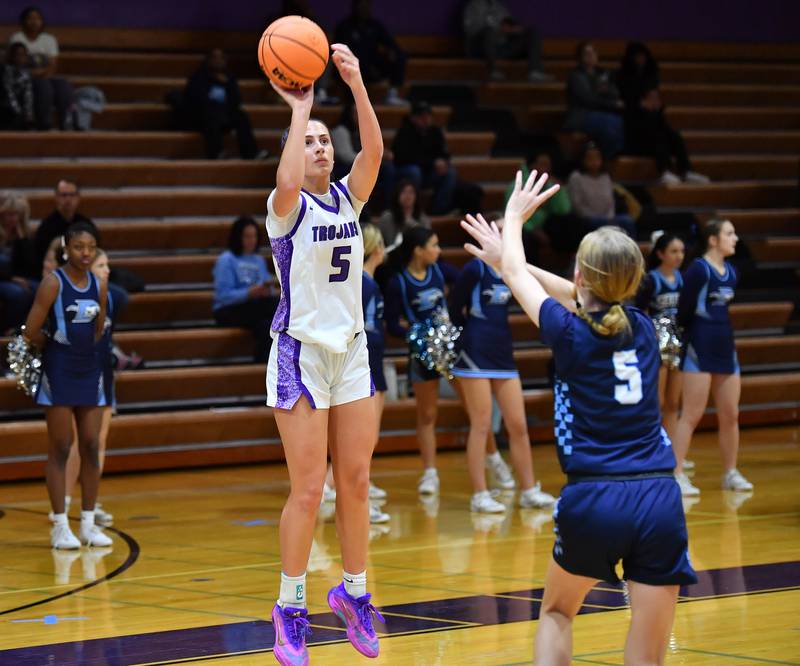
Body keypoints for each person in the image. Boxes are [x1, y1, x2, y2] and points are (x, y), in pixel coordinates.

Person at [461, 171, 696, 665]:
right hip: (659, 497)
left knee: (557, 614)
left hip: (595, 496)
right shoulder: (646, 329)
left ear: (583, 275)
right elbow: (581, 293)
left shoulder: (569, 332)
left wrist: (512, 222)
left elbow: (527, 279)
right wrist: (510, 262)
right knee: (648, 656)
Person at [265, 42, 384, 664]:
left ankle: (354, 593)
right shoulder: (286, 210)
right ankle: (289, 607)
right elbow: (286, 179)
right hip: (300, 352)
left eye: (322, 140)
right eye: (310, 140)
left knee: (357, 481)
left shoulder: (348, 198)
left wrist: (357, 83)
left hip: (352, 351)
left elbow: (373, 152)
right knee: (308, 490)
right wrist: (299, 108)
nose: (320, 146)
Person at [23, 222, 113, 550]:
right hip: (59, 371)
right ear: (66, 248)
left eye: (91, 247)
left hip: (89, 370)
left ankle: (87, 523)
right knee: (61, 446)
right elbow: (31, 330)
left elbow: (100, 327)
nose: (85, 253)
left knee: (90, 445)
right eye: (78, 247)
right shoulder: (52, 283)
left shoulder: (99, 285)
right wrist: (55, 344)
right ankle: (60, 525)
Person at [449, 251, 556, 513]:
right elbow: (453, 306)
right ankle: (480, 494)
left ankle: (529, 490)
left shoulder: (511, 270)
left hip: (503, 353)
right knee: (482, 424)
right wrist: (470, 335)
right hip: (475, 352)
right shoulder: (475, 269)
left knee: (518, 425)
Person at [671, 219, 753, 497]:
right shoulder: (698, 270)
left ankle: (730, 472)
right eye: (730, 233)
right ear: (713, 240)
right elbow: (683, 312)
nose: (736, 238)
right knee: (691, 414)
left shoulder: (731, 272)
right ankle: (676, 473)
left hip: (725, 347)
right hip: (699, 348)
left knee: (731, 414)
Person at [321, 224, 390, 525]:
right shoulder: (363, 283)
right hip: (364, 366)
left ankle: (347, 491)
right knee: (364, 440)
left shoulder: (369, 282)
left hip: (373, 362)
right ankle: (327, 489)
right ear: (376, 249)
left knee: (367, 441)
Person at [57, 249, 116, 527]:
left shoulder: (107, 295)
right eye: (102, 265)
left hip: (103, 372)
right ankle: (65, 501)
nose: (107, 270)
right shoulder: (73, 295)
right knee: (74, 442)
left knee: (97, 443)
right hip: (78, 373)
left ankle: (89, 504)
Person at [617, 42, 709, 185]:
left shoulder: (650, 76)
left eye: (643, 56)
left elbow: (657, 104)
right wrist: (640, 106)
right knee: (657, 136)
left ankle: (686, 170)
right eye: (638, 57)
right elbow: (624, 106)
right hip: (635, 129)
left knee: (675, 135)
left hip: (653, 120)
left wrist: (656, 106)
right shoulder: (621, 78)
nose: (641, 60)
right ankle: (664, 171)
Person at [634, 231, 685, 444]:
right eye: (673, 251)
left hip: (678, 342)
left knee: (674, 402)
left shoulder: (683, 278)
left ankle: (672, 449)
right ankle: (653, 445)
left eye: (682, 251)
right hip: (657, 344)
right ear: (661, 254)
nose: (679, 256)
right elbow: (639, 310)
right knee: (658, 400)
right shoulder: (651, 279)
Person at [212, 216, 278, 363]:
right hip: (229, 310)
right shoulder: (227, 260)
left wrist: (267, 291)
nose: (251, 240)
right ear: (238, 237)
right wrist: (249, 293)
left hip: (255, 309)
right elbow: (223, 296)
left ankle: (261, 364)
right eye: (247, 236)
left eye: (254, 236)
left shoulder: (258, 260)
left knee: (267, 326)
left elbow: (267, 285)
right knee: (273, 306)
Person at [183, 49, 266, 160]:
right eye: (215, 57)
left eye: (221, 58)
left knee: (241, 116)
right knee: (210, 115)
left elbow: (236, 101)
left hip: (224, 116)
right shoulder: (199, 77)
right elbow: (195, 102)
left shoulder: (229, 78)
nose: (219, 61)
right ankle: (216, 153)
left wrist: (226, 84)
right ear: (209, 60)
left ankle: (251, 153)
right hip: (202, 118)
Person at [504, 152, 578, 265]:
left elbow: (564, 210)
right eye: (542, 164)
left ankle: (566, 265)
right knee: (525, 236)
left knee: (569, 222)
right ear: (531, 166)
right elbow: (510, 215)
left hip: (545, 225)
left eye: (548, 164)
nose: (546, 168)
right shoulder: (517, 186)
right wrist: (534, 230)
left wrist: (559, 189)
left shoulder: (549, 183)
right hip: (525, 226)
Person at [9, 6, 74, 130]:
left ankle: (67, 123)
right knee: (44, 87)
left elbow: (53, 66)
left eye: (37, 18)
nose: (34, 22)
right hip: (24, 79)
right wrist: (38, 73)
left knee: (64, 85)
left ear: (42, 21)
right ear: (23, 21)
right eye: (30, 18)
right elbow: (17, 65)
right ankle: (44, 123)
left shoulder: (49, 40)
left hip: (46, 76)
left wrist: (41, 72)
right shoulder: (17, 38)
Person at [333, 0, 408, 106]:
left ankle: (392, 94)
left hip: (372, 67)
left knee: (399, 56)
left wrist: (392, 52)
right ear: (355, 7)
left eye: (366, 6)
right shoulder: (344, 26)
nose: (364, 9)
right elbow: (339, 51)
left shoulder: (375, 26)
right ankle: (348, 106)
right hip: (350, 68)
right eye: (361, 6)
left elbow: (391, 44)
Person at [392, 101, 458, 215]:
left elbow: (444, 153)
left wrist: (443, 161)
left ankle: (439, 210)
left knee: (450, 172)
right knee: (414, 172)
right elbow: (402, 157)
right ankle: (414, 210)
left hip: (429, 174)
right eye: (422, 117)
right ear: (413, 118)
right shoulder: (405, 132)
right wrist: (432, 163)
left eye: (428, 116)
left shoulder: (435, 132)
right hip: (407, 173)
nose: (426, 119)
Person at [462, 0, 552, 82]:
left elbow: (509, 22)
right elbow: (470, 30)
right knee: (489, 31)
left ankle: (535, 71)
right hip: (481, 50)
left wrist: (514, 29)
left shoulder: (498, 5)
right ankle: (493, 71)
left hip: (500, 48)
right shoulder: (472, 6)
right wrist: (499, 30)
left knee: (532, 31)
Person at [564, 42, 624, 160]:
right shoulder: (576, 76)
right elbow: (588, 99)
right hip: (582, 115)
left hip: (603, 113)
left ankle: (614, 156)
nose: (591, 56)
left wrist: (606, 94)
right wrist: (605, 97)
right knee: (610, 124)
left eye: (593, 53)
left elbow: (614, 93)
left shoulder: (603, 74)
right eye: (587, 53)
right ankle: (606, 159)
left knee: (619, 122)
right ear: (580, 57)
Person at [567, 142, 636, 238]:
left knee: (627, 220)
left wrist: (609, 218)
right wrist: (598, 218)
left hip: (607, 217)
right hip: (587, 219)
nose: (594, 161)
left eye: (597, 158)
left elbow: (611, 202)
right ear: (583, 159)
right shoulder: (576, 177)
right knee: (595, 223)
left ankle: (630, 250)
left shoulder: (605, 177)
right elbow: (578, 206)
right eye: (590, 158)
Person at [0, 192, 38, 333]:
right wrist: (12, 278)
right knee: (18, 294)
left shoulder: (22, 235)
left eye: (16, 214)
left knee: (40, 289)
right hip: (4, 279)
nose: (13, 219)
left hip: (16, 278)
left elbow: (30, 265)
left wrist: (22, 239)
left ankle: (25, 328)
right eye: (9, 214)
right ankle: (7, 329)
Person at [377, 179, 431, 250]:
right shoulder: (387, 218)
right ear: (397, 195)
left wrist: (412, 223)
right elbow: (379, 242)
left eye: (411, 192)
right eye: (403, 192)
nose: (407, 196)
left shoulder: (423, 218)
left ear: (416, 196)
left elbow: (428, 241)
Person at [1, 42, 35, 130]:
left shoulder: (26, 74)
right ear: (11, 57)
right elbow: (8, 93)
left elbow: (28, 95)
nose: (20, 58)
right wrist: (18, 113)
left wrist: (28, 114)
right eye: (17, 55)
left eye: (23, 55)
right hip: (5, 108)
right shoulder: (5, 71)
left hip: (17, 109)